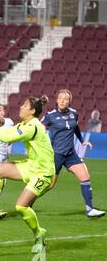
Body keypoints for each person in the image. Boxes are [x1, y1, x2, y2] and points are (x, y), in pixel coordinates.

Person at [0, 95, 54, 253]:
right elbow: (7, 132)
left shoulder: (32, 126)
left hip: (43, 172)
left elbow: (5, 137)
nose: (21, 107)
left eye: (25, 105)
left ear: (32, 111)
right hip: (32, 165)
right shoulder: (25, 123)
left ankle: (39, 234)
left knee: (21, 207)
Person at [41, 89, 105, 218]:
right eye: (60, 98)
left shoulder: (74, 114)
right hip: (56, 155)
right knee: (50, 185)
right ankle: (28, 202)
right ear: (57, 100)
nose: (63, 100)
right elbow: (39, 127)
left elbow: (75, 127)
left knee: (85, 177)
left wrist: (82, 141)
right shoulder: (50, 115)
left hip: (71, 154)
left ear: (70, 101)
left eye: (66, 98)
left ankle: (90, 209)